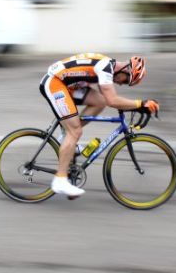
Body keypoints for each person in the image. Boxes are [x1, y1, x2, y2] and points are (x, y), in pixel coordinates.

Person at [39, 53, 159, 198]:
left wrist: (137, 106)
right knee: (75, 132)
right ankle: (60, 180)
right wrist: (141, 104)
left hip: (68, 84)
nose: (121, 84)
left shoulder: (108, 66)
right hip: (55, 83)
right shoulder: (105, 68)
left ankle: (66, 134)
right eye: (126, 80)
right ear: (126, 69)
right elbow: (113, 100)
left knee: (99, 102)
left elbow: (108, 100)